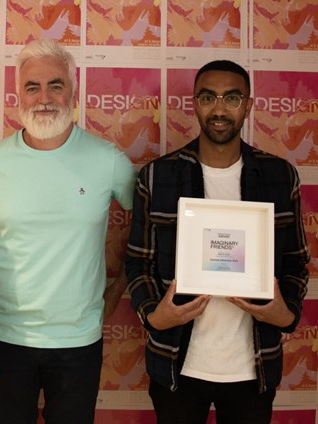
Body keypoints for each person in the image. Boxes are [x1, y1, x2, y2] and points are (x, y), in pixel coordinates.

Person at [0, 38, 136, 424]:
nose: (44, 98)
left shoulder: (108, 161)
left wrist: (115, 290)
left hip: (78, 340)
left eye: (56, 85)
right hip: (3, 337)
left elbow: (148, 230)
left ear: (74, 92)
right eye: (32, 87)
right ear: (18, 95)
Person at [126, 60, 310, 424]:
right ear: (195, 103)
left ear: (248, 105)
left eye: (232, 98)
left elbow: (295, 261)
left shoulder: (278, 175)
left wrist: (284, 314)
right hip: (177, 365)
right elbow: (138, 261)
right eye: (208, 97)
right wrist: (155, 316)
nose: (219, 110)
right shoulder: (158, 175)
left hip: (253, 368)